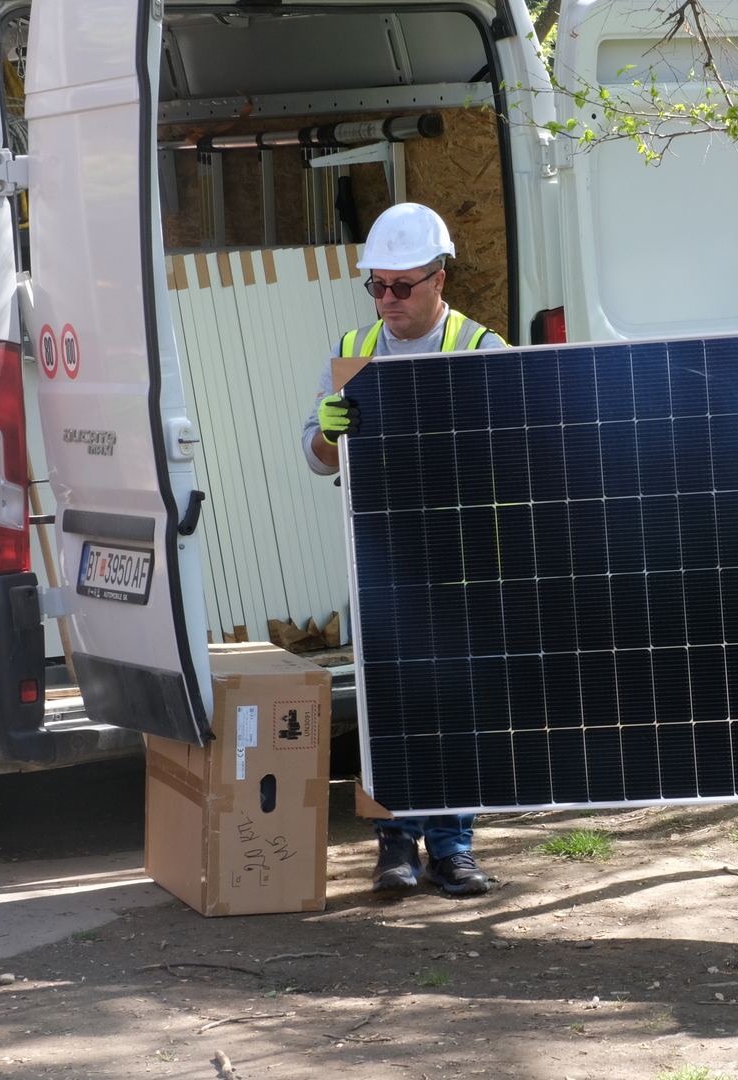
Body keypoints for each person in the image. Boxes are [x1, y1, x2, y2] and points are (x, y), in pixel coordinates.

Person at [304, 202, 504, 896]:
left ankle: (452, 847)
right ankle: (394, 844)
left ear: (439, 277)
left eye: (401, 286)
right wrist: (330, 430)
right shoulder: (355, 348)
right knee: (386, 700)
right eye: (377, 286)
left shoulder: (482, 351)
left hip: (458, 558)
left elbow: (523, 456)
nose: (387, 301)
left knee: (453, 701)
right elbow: (317, 457)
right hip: (382, 556)